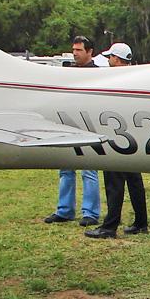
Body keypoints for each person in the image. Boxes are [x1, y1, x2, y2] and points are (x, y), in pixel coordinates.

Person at [86, 42, 149, 239]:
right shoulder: (137, 76)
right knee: (134, 181)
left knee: (114, 181)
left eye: (110, 57)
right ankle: (141, 222)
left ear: (116, 59)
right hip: (133, 136)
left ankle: (109, 226)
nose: (108, 61)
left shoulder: (117, 78)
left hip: (117, 135)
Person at [44, 35, 101, 226]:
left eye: (79, 50)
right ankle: (65, 210)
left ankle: (90, 212)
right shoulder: (68, 72)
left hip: (87, 125)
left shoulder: (97, 74)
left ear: (89, 52)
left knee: (89, 171)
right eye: (74, 50)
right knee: (65, 168)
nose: (75, 54)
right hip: (67, 124)